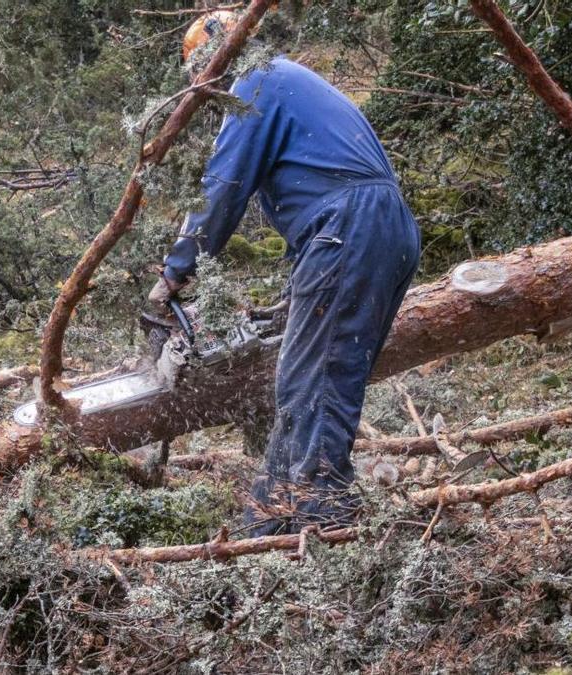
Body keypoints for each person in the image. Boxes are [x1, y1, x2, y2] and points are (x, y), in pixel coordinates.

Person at [148, 11, 421, 535]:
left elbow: (221, 189)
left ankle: (322, 525)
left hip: (350, 225)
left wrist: (175, 272)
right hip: (386, 227)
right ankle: (271, 522)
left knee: (314, 383)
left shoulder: (256, 83)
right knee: (312, 379)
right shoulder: (288, 79)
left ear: (212, 63)